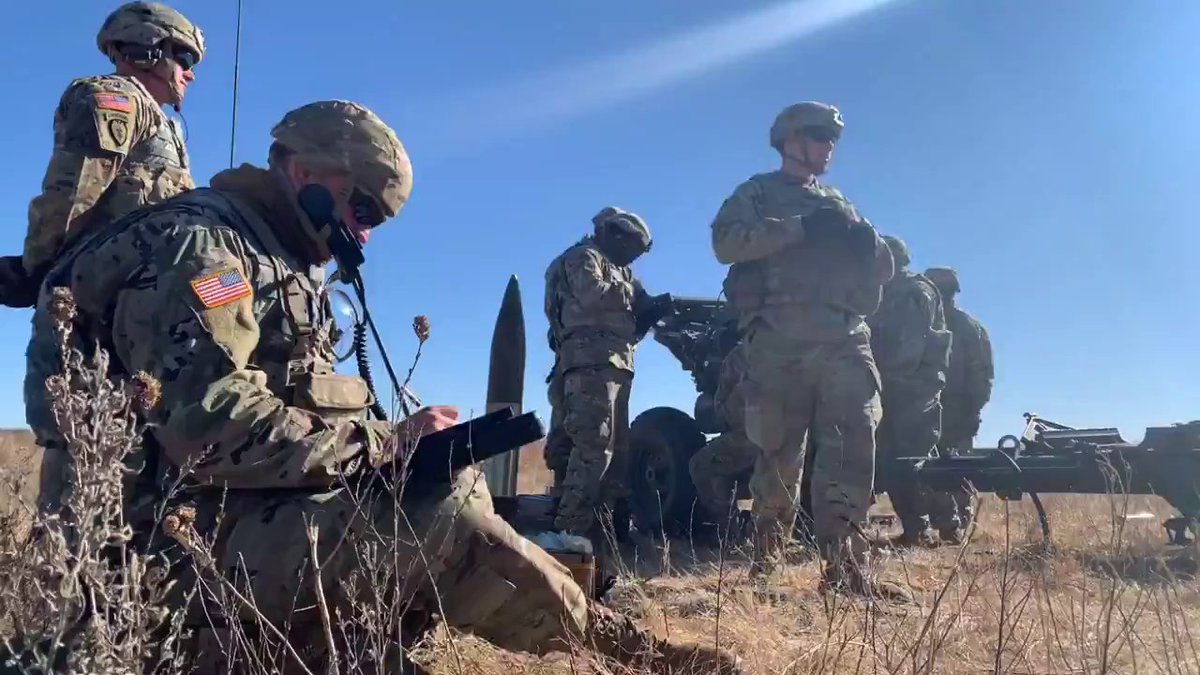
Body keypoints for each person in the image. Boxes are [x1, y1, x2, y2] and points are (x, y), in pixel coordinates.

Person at [25, 100, 740, 674]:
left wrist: (403, 441)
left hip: (215, 532)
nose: (362, 235)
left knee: (439, 485)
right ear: (301, 169)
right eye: (359, 209)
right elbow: (209, 423)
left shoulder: (270, 254)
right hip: (148, 567)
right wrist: (381, 444)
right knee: (437, 510)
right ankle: (618, 650)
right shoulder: (205, 249)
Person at [710, 101, 912, 601]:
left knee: (851, 449)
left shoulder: (839, 202)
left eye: (832, 139)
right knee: (779, 455)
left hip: (844, 337)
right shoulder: (756, 193)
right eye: (820, 136)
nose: (829, 148)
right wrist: (796, 229)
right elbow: (725, 242)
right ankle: (766, 567)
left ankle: (846, 570)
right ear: (791, 140)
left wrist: (873, 246)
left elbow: (881, 270)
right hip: (780, 341)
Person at [0, 1, 204, 308]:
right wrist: (36, 268)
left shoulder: (165, 126)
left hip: (146, 301)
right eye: (185, 58)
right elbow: (73, 195)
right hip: (94, 304)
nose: (190, 75)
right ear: (147, 49)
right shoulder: (115, 100)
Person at [542, 207, 652, 542]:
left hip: (614, 364)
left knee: (614, 452)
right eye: (630, 247)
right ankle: (568, 534)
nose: (631, 259)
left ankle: (601, 532)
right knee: (593, 446)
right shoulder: (583, 257)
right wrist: (636, 298)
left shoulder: (622, 271)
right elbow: (592, 295)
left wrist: (651, 310)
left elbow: (634, 315)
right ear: (612, 233)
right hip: (590, 363)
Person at [867, 235, 955, 546]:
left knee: (916, 459)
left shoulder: (912, 291)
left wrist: (880, 377)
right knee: (896, 460)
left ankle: (946, 523)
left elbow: (908, 348)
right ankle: (918, 527)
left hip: (912, 388)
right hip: (897, 386)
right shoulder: (889, 292)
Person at [925, 266, 994, 540]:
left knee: (959, 469)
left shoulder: (967, 327)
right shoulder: (926, 324)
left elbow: (983, 373)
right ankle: (945, 524)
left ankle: (958, 527)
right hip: (927, 407)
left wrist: (973, 408)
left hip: (958, 408)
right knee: (931, 468)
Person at [687, 341, 756, 535]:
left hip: (754, 437)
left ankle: (728, 533)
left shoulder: (738, 356)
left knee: (700, 465)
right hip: (799, 439)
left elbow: (719, 417)